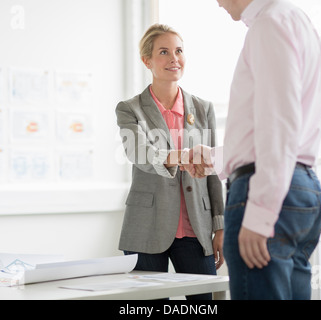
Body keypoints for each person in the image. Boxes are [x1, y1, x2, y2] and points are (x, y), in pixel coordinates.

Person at [186, 0, 321, 299]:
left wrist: (261, 212)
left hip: (267, 192)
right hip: (299, 189)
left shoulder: (269, 24)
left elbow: (279, 124)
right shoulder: (295, 22)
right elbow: (282, 127)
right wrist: (214, 158)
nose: (217, 3)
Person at [115, 24, 224, 300]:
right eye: (164, 52)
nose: (174, 58)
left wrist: (220, 225)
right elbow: (138, 152)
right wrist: (183, 156)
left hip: (195, 229)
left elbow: (213, 173)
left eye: (178, 51)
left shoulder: (203, 108)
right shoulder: (130, 109)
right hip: (145, 228)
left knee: (203, 304)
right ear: (147, 61)